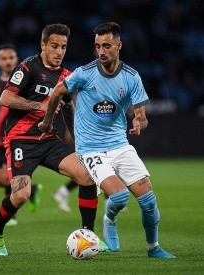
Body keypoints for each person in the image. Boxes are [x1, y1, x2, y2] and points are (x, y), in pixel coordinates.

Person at [39, 22, 175, 258]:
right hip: (90, 148)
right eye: (98, 46)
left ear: (118, 45)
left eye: (107, 46)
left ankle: (153, 248)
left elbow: (142, 118)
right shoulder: (84, 73)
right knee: (120, 196)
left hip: (120, 145)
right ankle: (109, 220)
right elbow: (57, 92)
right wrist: (48, 121)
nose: (102, 51)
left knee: (149, 203)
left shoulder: (132, 77)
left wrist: (138, 123)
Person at [0, 23, 104, 256]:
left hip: (49, 140)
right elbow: (6, 98)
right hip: (21, 139)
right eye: (54, 46)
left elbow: (69, 106)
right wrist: (39, 105)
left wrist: (77, 138)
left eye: (63, 47)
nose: (59, 51)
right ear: (43, 45)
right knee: (21, 195)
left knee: (87, 176)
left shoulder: (66, 76)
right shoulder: (29, 67)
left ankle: (88, 235)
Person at [0, 43, 42, 227]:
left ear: (17, 59)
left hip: (16, 136)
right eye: (4, 58)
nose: (8, 62)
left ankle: (11, 215)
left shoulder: (24, 81)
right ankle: (30, 190)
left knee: (12, 174)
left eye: (11, 58)